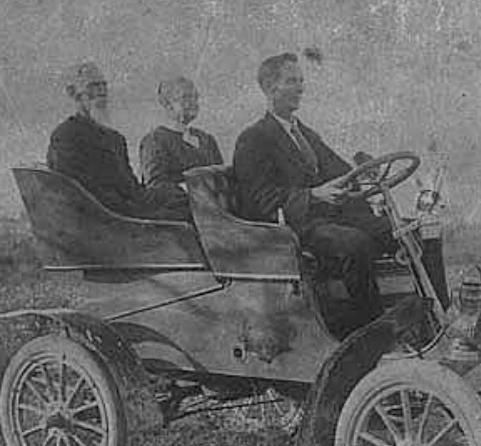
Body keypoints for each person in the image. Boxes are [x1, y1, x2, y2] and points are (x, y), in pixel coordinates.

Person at [233, 52, 394, 332]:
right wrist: (313, 195)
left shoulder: (305, 134)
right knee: (354, 244)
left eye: (301, 81)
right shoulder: (253, 138)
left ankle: (433, 315)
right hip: (293, 229)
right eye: (292, 81)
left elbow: (340, 171)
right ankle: (371, 331)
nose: (300, 88)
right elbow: (259, 200)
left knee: (401, 230)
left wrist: (362, 175)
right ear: (270, 88)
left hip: (328, 220)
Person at [46, 62, 189, 221]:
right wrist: (142, 213)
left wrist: (171, 193)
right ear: (73, 93)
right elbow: (82, 195)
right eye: (93, 86)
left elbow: (133, 190)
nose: (101, 91)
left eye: (103, 85)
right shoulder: (66, 136)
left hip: (126, 210)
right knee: (184, 217)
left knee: (185, 201)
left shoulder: (115, 139)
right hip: (104, 219)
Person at [139, 76, 223, 202]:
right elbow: (156, 187)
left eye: (195, 97)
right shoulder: (155, 141)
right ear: (167, 104)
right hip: (179, 208)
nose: (193, 103)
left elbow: (222, 177)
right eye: (185, 98)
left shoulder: (207, 139)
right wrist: (196, 189)